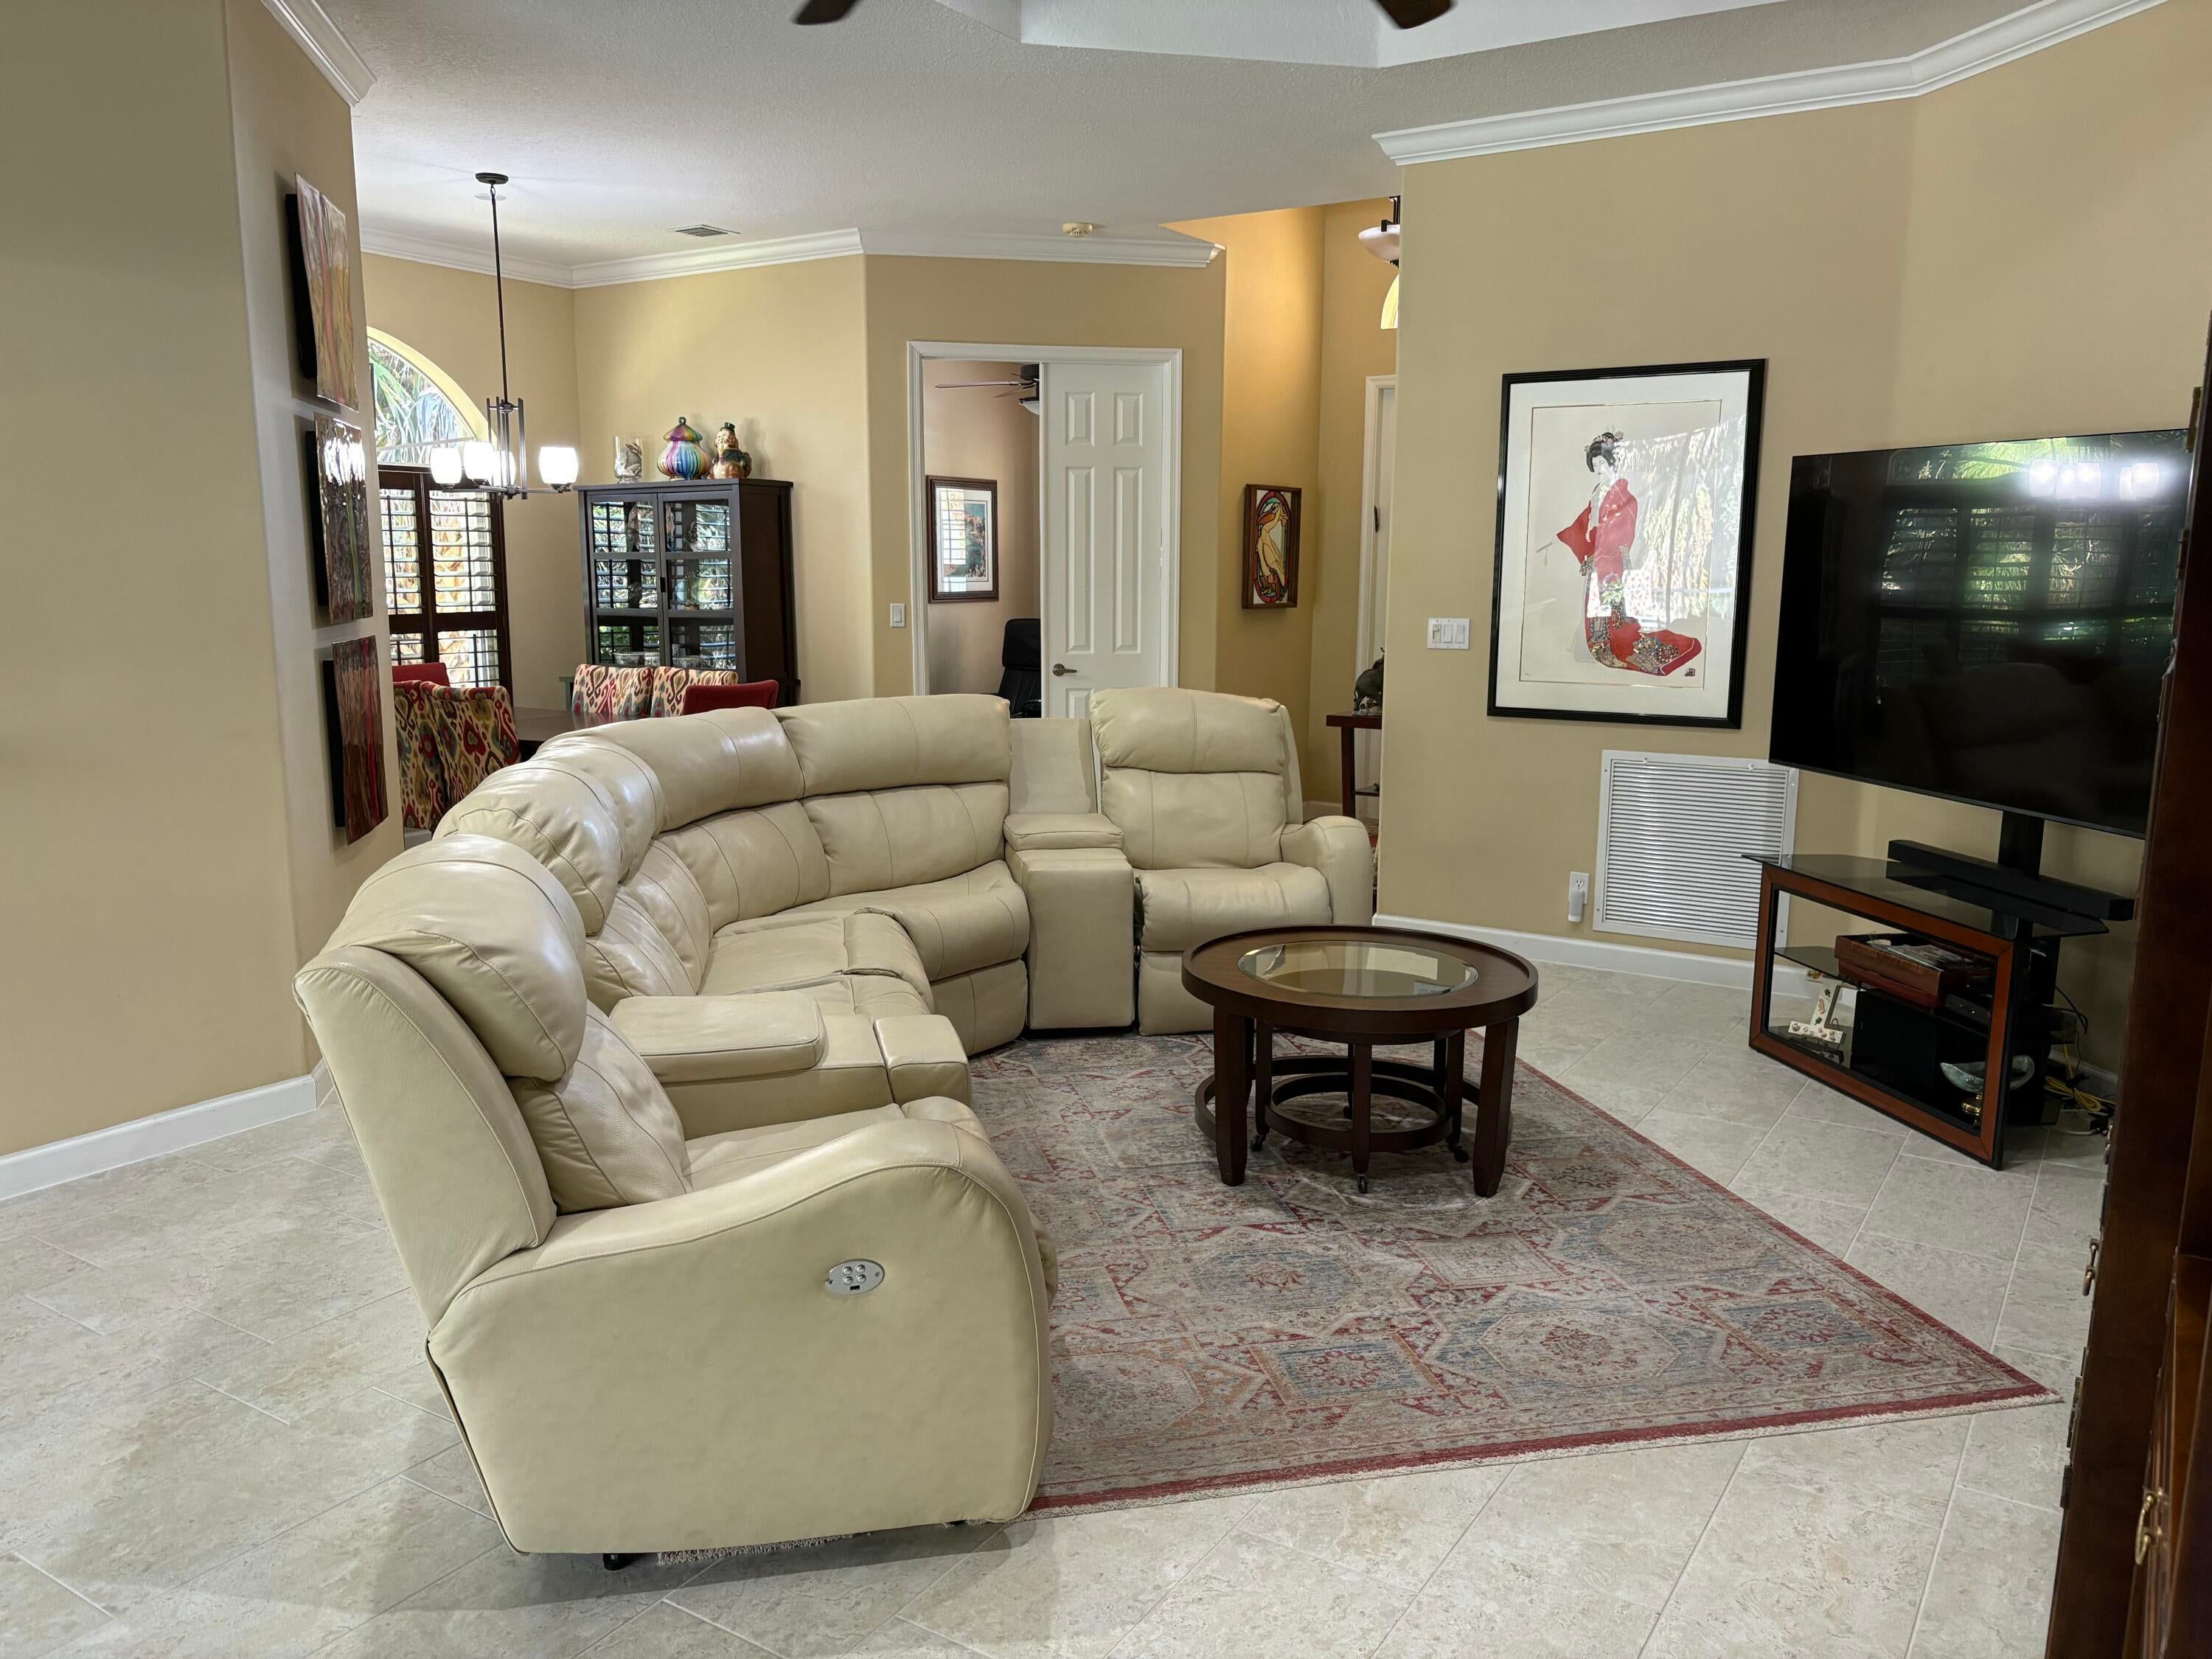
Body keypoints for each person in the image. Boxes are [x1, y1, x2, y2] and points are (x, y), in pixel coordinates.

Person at [1554, 431, 1702, 675]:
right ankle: (1586, 645)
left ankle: (1604, 643)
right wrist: (1578, 536)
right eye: (1595, 464)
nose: (1599, 468)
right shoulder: (1598, 490)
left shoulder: (1622, 493)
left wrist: (1603, 548)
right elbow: (1588, 519)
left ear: (1611, 462)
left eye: (1602, 462)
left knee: (1608, 603)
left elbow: (1625, 524)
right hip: (1596, 553)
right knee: (1591, 601)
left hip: (1610, 557)